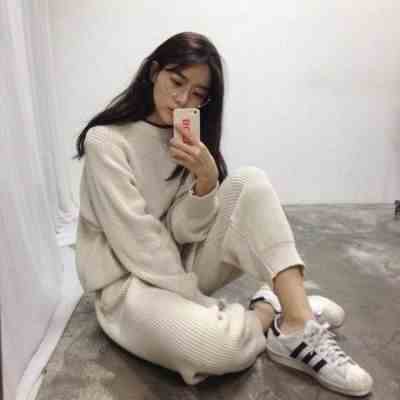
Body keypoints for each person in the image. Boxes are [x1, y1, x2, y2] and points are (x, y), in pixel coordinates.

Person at [73, 31, 373, 396]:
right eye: (176, 81)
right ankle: (268, 310)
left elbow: (186, 232)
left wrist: (206, 180)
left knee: (249, 182)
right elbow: (138, 243)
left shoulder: (184, 138)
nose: (183, 99)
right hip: (127, 286)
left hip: (178, 267)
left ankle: (297, 322)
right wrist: (198, 303)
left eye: (198, 93)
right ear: (154, 72)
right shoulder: (106, 142)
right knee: (214, 349)